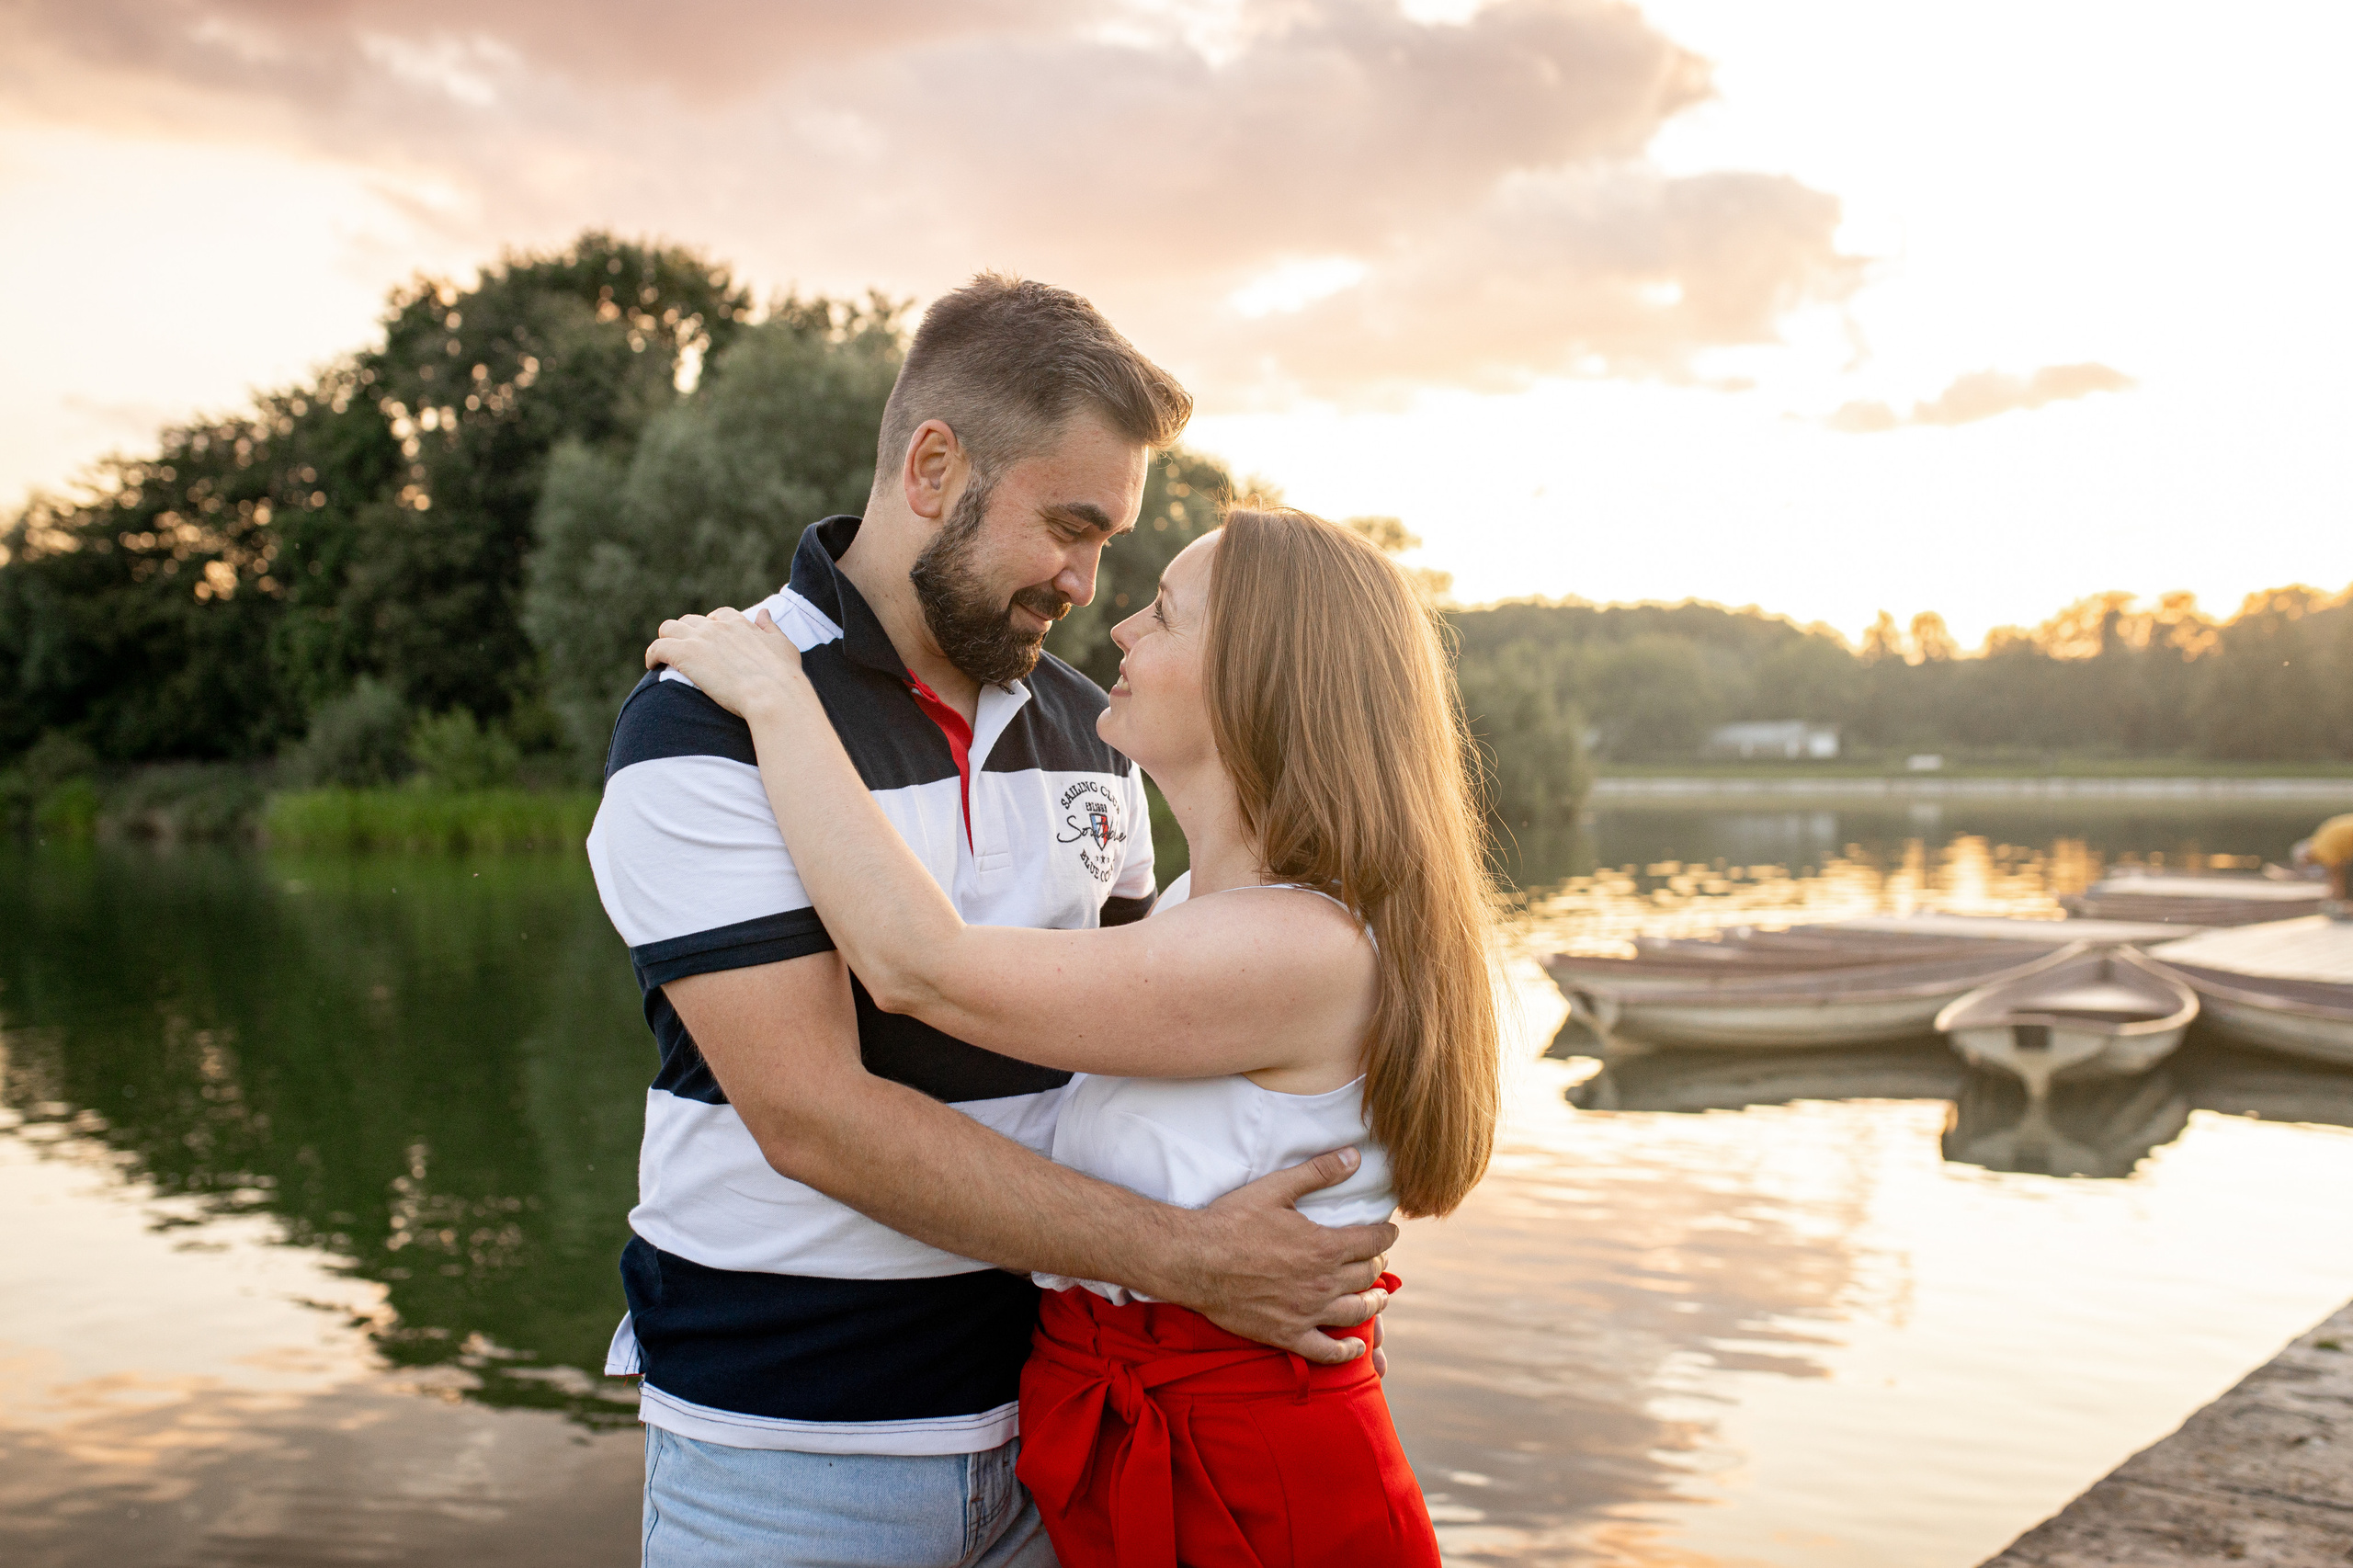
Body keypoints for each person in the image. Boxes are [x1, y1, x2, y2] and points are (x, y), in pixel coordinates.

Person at [586, 276, 1399, 1567]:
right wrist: (1195, 1260)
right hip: (795, 1452)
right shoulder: (705, 721)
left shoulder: (1100, 732)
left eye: (1112, 542)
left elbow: (1143, 1048)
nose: (1089, 581)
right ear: (932, 466)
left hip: (1059, 1437)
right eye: (1068, 526)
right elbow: (812, 1118)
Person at [649, 505, 1502, 1566]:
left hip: (1248, 1479)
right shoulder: (1206, 905)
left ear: (1259, 678)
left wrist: (780, 701)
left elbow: (919, 967)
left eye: (1164, 614)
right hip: (1135, 1438)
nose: (1119, 629)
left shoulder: (1295, 946)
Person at [2293, 812, 2353, 916]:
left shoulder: (2320, 850)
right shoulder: (2321, 839)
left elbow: (2337, 875)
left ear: (2306, 857)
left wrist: (2337, 899)